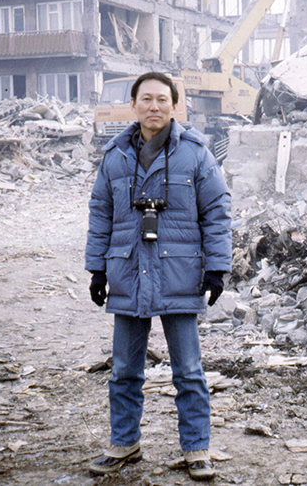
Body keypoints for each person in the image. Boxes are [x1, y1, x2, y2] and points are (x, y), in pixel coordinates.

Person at [85, 72, 231, 481]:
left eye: (162, 100)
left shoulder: (197, 154)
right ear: (134, 105)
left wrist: (216, 268)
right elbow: (100, 216)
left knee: (188, 370)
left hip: (179, 273)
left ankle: (197, 448)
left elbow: (217, 212)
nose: (154, 107)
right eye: (146, 99)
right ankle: (124, 443)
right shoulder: (115, 156)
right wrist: (97, 267)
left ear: (174, 106)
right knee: (125, 370)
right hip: (128, 272)